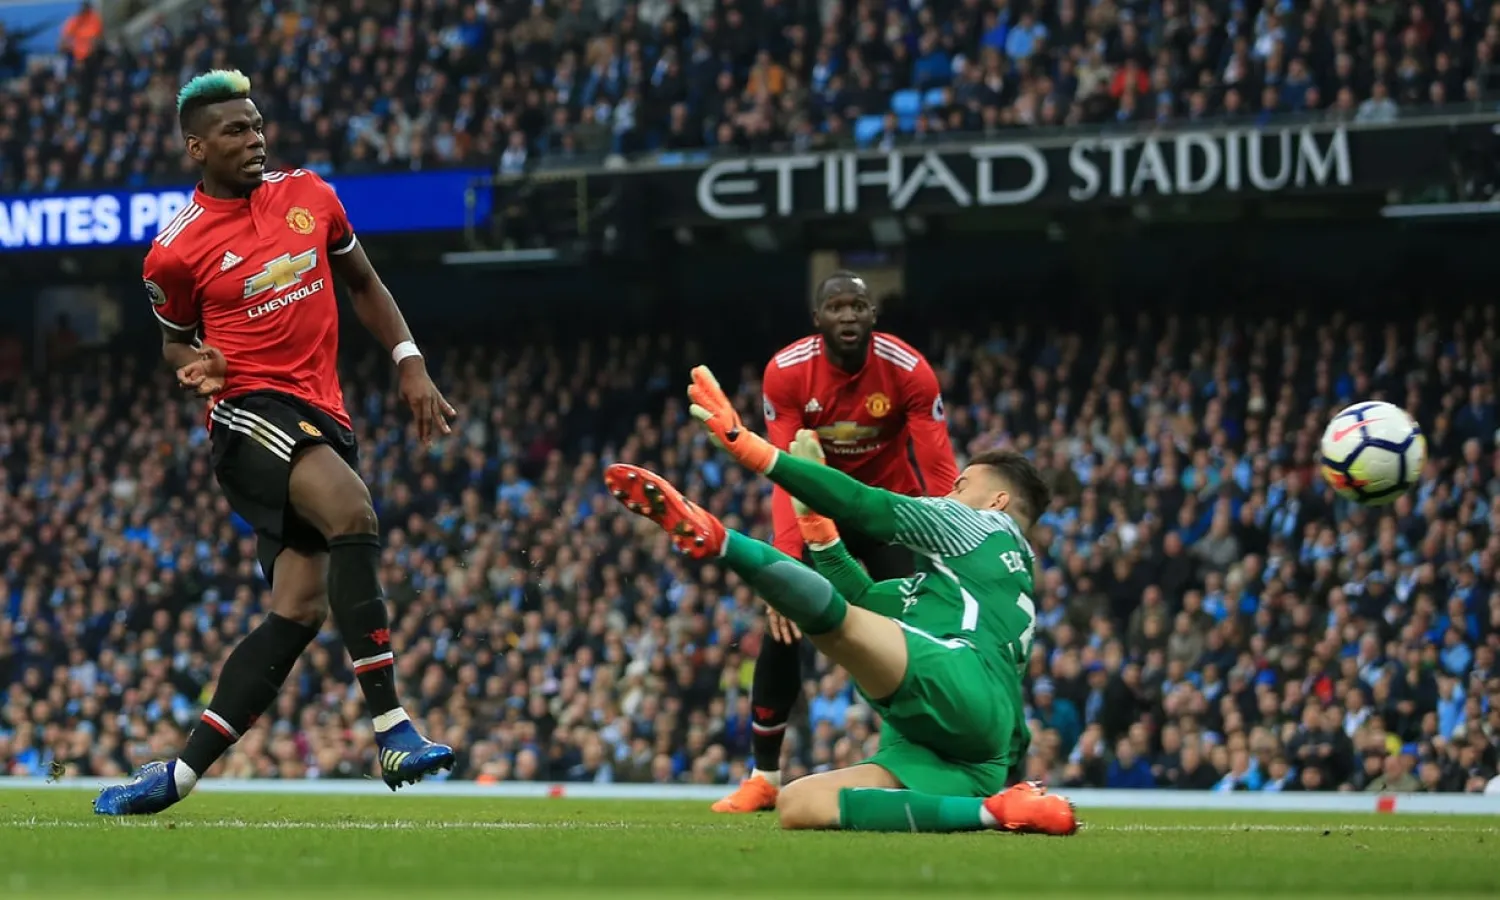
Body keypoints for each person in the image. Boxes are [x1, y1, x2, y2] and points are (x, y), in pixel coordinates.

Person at [94, 70, 457, 815]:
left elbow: (364, 283)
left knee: (297, 609)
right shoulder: (174, 251)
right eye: (235, 130)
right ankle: (392, 725)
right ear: (197, 147)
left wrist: (409, 363)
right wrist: (194, 366)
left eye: (257, 126)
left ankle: (178, 776)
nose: (254, 139)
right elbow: (173, 344)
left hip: (323, 412)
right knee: (352, 513)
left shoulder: (310, 197)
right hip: (247, 414)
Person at [603, 367, 1077, 835]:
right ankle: (998, 811)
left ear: (996, 500)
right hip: (962, 743)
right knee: (801, 804)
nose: (949, 492)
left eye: (961, 485)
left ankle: (721, 541)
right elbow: (865, 594)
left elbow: (867, 506)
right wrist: (816, 527)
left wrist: (747, 447)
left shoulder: (981, 526)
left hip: (964, 682)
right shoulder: (975, 577)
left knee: (842, 629)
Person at [716, 270, 958, 814]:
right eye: (837, 307)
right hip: (818, 513)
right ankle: (763, 778)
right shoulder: (787, 372)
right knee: (782, 622)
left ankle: (930, 763)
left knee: (917, 638)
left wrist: (954, 547)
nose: (848, 315)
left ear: (874, 315)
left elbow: (939, 471)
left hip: (887, 515)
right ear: (817, 318)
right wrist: (783, 565)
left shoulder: (909, 371)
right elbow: (782, 470)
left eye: (858, 306)